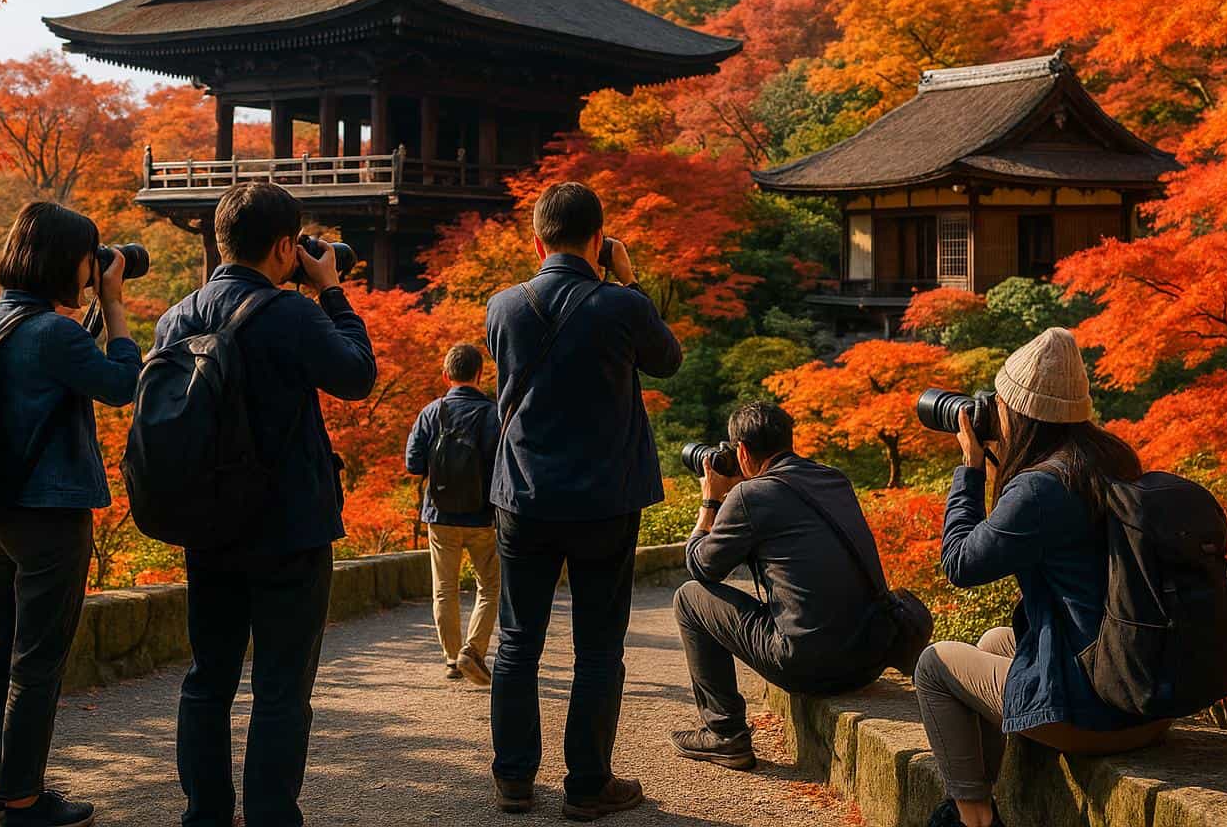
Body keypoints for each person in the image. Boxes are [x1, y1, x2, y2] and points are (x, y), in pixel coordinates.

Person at [153, 183, 376, 827]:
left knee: (208, 678)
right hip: (290, 524)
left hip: (207, 521)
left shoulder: (177, 317)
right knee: (281, 686)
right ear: (285, 246)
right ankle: (272, 816)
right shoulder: (291, 314)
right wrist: (330, 290)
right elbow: (357, 376)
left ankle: (206, 815)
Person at [913, 328, 1172, 827]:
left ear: (1019, 412)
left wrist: (970, 466)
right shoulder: (1109, 459)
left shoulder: (1041, 487)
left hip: (1096, 715)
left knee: (932, 666)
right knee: (992, 641)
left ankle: (973, 818)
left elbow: (960, 564)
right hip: (1143, 697)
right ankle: (983, 794)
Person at [485, 181, 683, 822]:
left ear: (536, 240)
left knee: (518, 640)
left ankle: (514, 779)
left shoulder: (503, 307)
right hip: (605, 498)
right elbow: (668, 360)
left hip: (524, 495)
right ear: (600, 240)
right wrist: (628, 281)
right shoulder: (620, 307)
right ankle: (587, 784)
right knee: (599, 646)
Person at [0, 201, 142, 827]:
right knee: (38, 659)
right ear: (68, 260)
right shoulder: (55, 333)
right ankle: (24, 800)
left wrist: (89, 308)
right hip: (52, 513)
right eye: (89, 259)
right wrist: (115, 304)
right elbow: (124, 384)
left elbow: (57, 369)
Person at [672, 401, 895, 771]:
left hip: (809, 666)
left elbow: (701, 566)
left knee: (689, 598)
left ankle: (725, 734)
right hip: (870, 659)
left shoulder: (750, 497)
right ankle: (725, 734)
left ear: (741, 450)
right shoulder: (833, 478)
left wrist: (710, 500)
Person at [405, 342, 503, 685]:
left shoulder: (432, 412)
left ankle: (450, 658)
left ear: (447, 375)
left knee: (444, 589)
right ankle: (472, 651)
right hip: (482, 518)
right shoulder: (494, 413)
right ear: (480, 374)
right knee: (490, 588)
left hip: (440, 515)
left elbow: (413, 464)